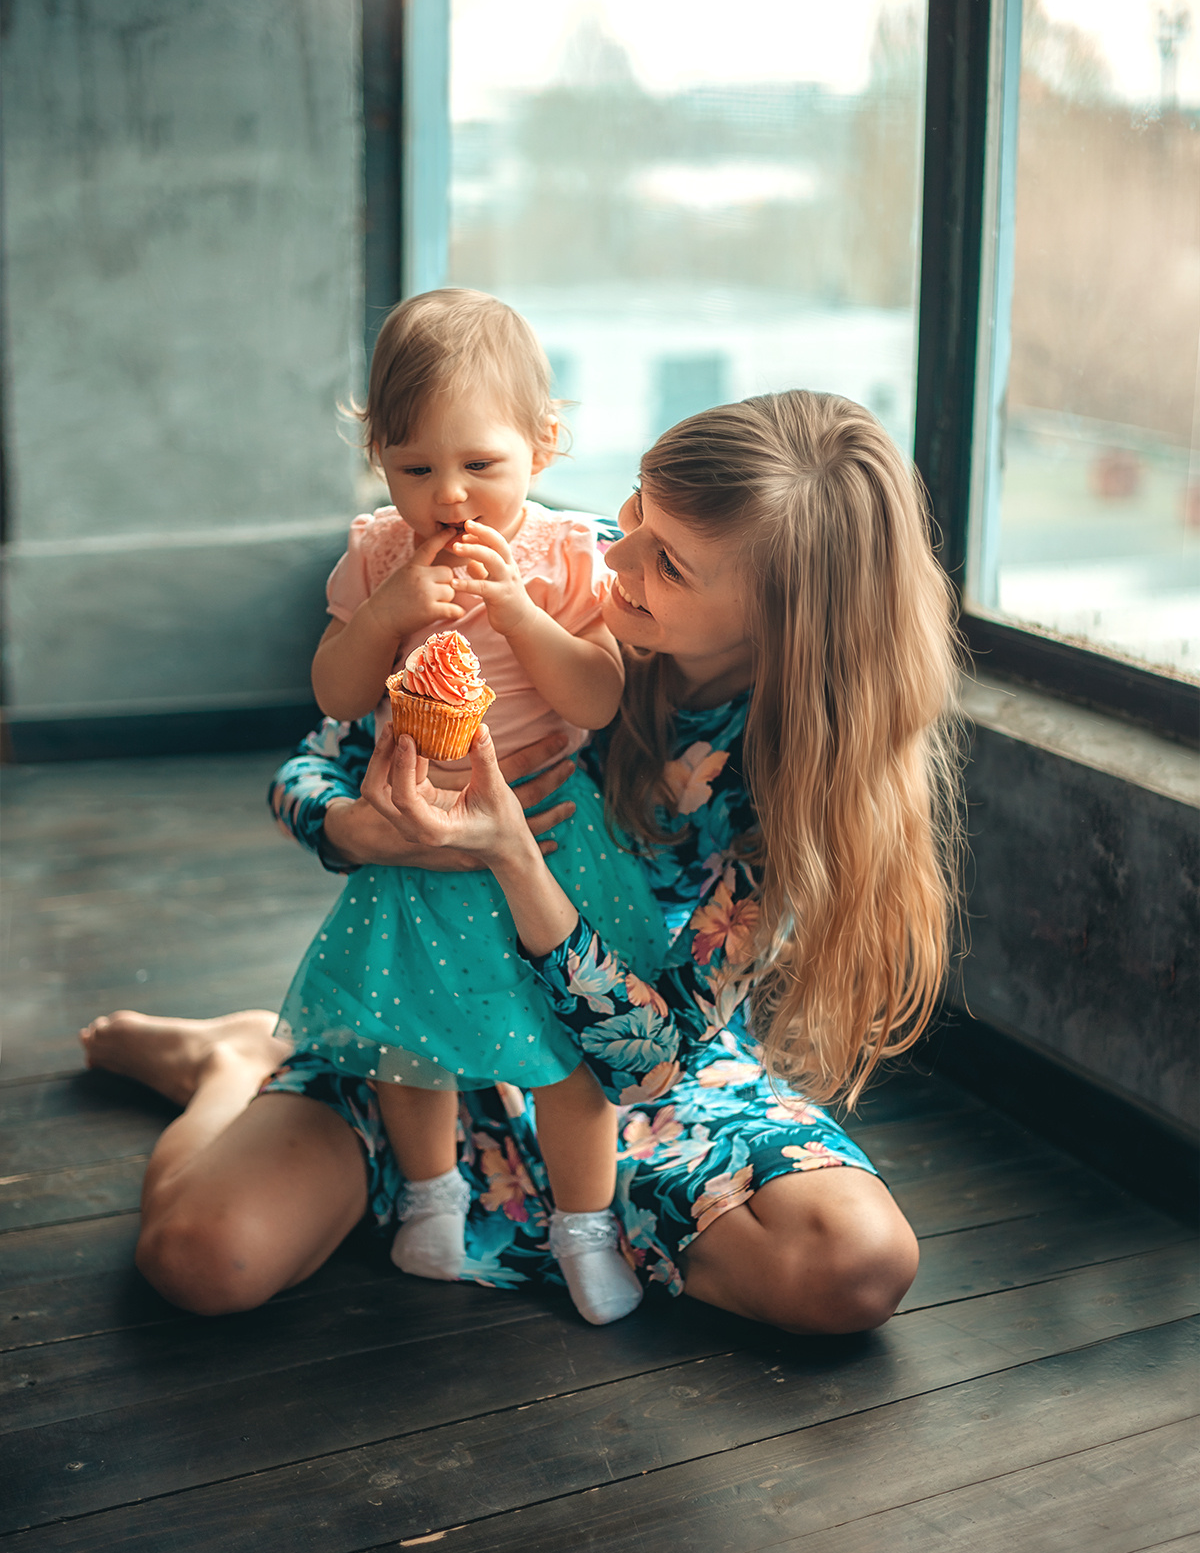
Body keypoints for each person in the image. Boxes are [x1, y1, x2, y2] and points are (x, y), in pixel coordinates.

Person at [82, 390, 961, 1336]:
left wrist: (514, 860)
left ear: (784, 626)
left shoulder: (804, 773)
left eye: (666, 562)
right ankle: (237, 1059)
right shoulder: (547, 566)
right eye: (633, 510)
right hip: (423, 1029)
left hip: (632, 1082)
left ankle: (536, 1205)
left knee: (855, 1268)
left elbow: (654, 1056)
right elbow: (312, 758)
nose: (612, 554)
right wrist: (354, 829)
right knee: (201, 1259)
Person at [274, 288, 665, 1324]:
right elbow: (336, 695)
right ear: (380, 461)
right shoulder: (376, 554)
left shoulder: (568, 553)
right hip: (418, 833)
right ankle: (433, 1195)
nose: (448, 496)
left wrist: (518, 608)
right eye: (415, 469)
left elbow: (596, 695)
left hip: (545, 841)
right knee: (414, 1037)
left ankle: (585, 1224)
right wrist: (393, 608)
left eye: (480, 466)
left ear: (542, 446)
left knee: (564, 1056)